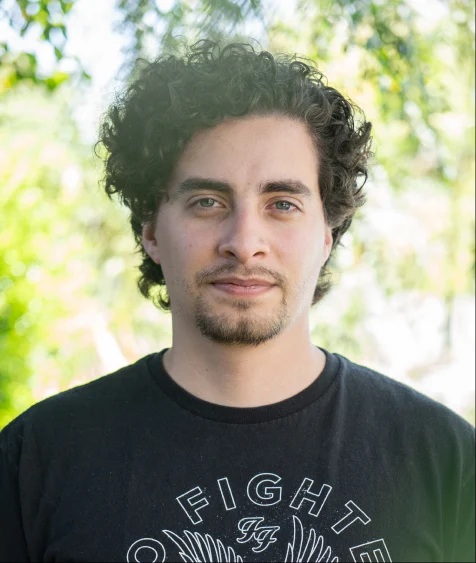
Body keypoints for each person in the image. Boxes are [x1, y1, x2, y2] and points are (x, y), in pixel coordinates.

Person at [0, 40, 474, 563]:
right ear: (151, 230)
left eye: (282, 203)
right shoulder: (35, 462)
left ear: (327, 234)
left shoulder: (446, 463)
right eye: (207, 202)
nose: (244, 241)